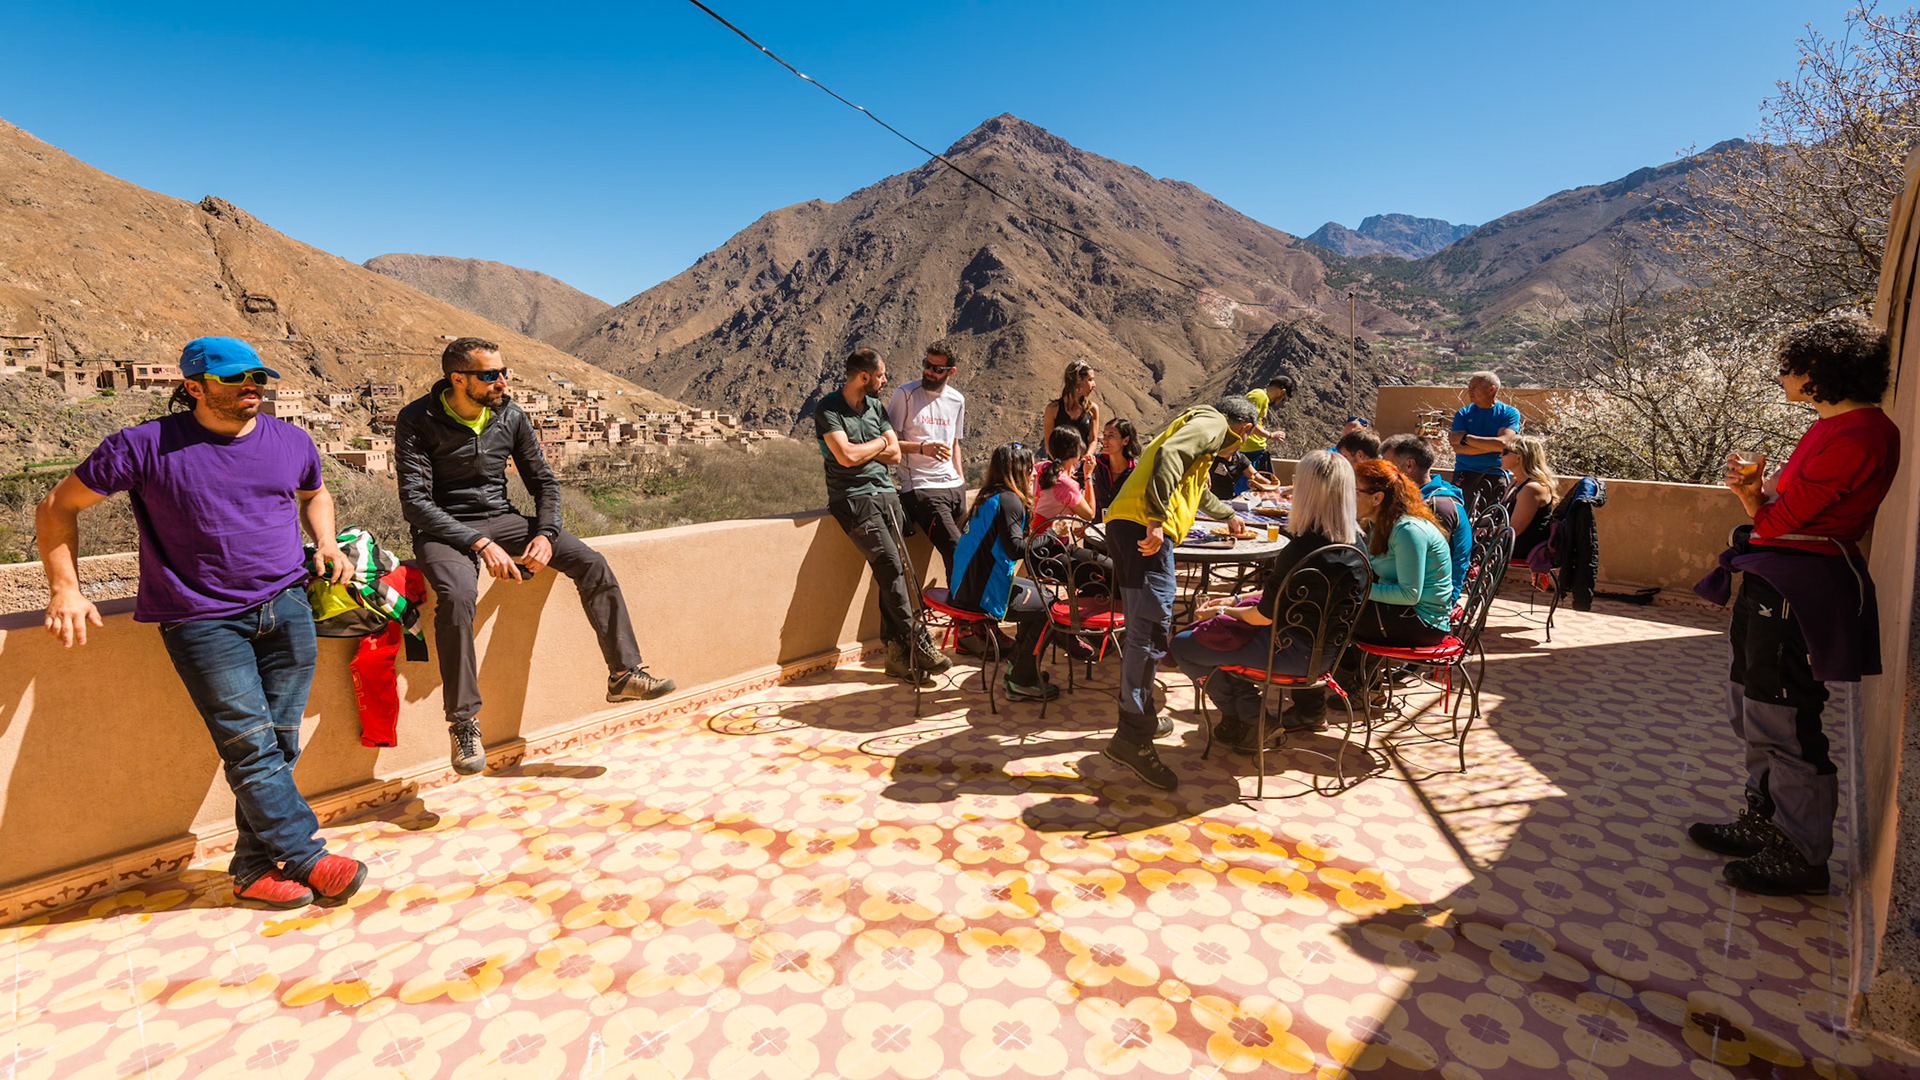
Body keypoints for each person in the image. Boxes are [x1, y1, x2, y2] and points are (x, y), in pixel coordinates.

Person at [35, 336, 368, 909]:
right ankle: (307, 858)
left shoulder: (290, 440)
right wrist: (65, 588)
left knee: (277, 746)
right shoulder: (143, 445)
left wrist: (326, 543)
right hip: (202, 619)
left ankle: (251, 870)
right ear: (193, 387)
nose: (251, 388)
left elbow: (315, 493)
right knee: (251, 748)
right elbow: (57, 505)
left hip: (287, 606)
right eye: (235, 379)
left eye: (257, 378)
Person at [398, 337, 677, 775]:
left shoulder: (509, 415)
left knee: (591, 562)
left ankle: (623, 673)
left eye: (503, 372)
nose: (502, 382)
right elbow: (415, 502)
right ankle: (463, 722)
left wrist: (546, 534)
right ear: (458, 379)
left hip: (503, 518)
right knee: (457, 595)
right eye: (490, 375)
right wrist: (479, 544)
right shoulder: (418, 418)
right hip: (444, 529)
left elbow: (543, 482)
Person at [1691, 314, 1899, 896]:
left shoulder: (1859, 435)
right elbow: (1778, 509)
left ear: (1819, 371)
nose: (1782, 375)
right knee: (1754, 705)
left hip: (1798, 588)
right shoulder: (1830, 428)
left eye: (1790, 366)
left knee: (1784, 715)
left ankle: (1801, 852)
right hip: (1774, 579)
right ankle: (1766, 820)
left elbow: (1781, 517)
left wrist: (1753, 501)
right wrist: (1757, 497)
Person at [1101, 398, 1258, 790]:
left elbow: (1194, 490)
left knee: (1142, 633)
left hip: (1125, 524)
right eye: (1244, 436)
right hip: (1146, 529)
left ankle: (1141, 718)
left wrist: (1228, 515)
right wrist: (1156, 519)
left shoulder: (1199, 433)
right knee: (1149, 636)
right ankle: (1131, 737)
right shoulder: (1213, 423)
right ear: (1243, 429)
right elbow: (1169, 455)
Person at [1171, 451, 1369, 747]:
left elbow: (1262, 617)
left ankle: (1250, 718)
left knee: (1184, 645)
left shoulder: (1302, 547)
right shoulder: (1357, 544)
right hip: (1326, 655)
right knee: (1225, 643)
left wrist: (1223, 610)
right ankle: (1248, 718)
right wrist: (1235, 599)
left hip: (1288, 651)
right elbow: (1287, 595)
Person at [813, 347, 952, 684]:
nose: (885, 380)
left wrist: (870, 448)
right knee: (889, 563)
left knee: (897, 568)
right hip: (853, 499)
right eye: (880, 375)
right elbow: (846, 457)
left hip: (886, 494)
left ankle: (896, 655)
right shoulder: (829, 408)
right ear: (864, 377)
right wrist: (878, 444)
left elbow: (894, 455)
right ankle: (916, 639)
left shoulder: (875, 407)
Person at [950, 443, 1060, 702]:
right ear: (1017, 470)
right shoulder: (1010, 501)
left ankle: (1019, 667)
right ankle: (1021, 681)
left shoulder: (991, 495)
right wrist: (1051, 535)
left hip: (967, 586)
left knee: (1043, 595)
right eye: (1030, 467)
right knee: (1050, 608)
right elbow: (1015, 549)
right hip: (981, 594)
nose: (1035, 472)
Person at [1344, 460, 1453, 683]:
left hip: (1423, 623)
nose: (1346, 498)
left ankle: (1355, 686)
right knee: (1334, 607)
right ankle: (1362, 684)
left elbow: (1409, 594)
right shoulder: (1378, 525)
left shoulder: (1407, 530)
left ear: (1377, 498)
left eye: (1353, 492)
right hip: (1402, 614)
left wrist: (1359, 590)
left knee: (1335, 616)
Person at [887, 342, 967, 578]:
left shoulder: (957, 400)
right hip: (922, 488)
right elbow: (888, 443)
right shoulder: (905, 394)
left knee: (964, 553)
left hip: (954, 487)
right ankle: (964, 602)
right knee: (958, 551)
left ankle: (959, 599)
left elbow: (954, 443)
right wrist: (922, 449)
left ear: (951, 371)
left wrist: (961, 480)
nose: (929, 372)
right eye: (927, 365)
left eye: (937, 369)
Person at [1381, 433, 1472, 603]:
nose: (1383, 473)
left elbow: (1426, 566)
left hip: (1429, 603)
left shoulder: (1436, 505)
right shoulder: (1422, 495)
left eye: (1389, 465)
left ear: (1409, 465)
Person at [1448, 371, 1522, 516]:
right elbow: (1457, 448)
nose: (1469, 392)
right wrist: (1492, 445)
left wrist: (1465, 438)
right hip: (1465, 473)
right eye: (1469, 387)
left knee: (1490, 519)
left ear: (1491, 389)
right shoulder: (1463, 413)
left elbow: (1504, 443)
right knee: (1460, 516)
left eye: (1474, 388)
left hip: (1495, 474)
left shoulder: (1509, 413)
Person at [1501, 435, 1560, 564]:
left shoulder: (1532, 488)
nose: (1500, 456)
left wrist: (1486, 532)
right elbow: (1500, 514)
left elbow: (1515, 529)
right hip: (1509, 539)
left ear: (1519, 457)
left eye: (1505, 452)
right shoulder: (1515, 482)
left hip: (1522, 546)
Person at [1033, 426, 1098, 531]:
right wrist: (1088, 476)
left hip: (1033, 534)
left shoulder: (1041, 467)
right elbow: (1090, 514)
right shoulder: (1067, 485)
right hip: (1053, 538)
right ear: (1075, 451)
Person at [1041, 360, 1100, 464]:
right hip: (1058, 467)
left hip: (1082, 466)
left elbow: (1093, 440)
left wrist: (1085, 459)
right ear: (1078, 379)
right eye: (1090, 380)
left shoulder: (1092, 409)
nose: (1094, 385)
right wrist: (1062, 465)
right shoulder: (1053, 409)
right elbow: (1048, 443)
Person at [1240, 374, 1294, 477]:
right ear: (1282, 392)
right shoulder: (1258, 396)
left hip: (1255, 450)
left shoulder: (1262, 398)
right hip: (1250, 451)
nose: (1279, 403)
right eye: (1283, 399)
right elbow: (1248, 422)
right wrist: (1270, 435)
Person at [1092, 418, 1139, 514]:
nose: (1104, 440)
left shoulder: (1137, 471)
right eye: (1104, 435)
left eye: (1111, 436)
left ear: (1125, 441)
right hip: (1098, 522)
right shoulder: (1096, 463)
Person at [1209, 443, 1278, 501]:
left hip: (1229, 500)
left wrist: (1274, 487)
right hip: (1211, 500)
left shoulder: (1240, 458)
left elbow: (1256, 477)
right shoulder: (1210, 458)